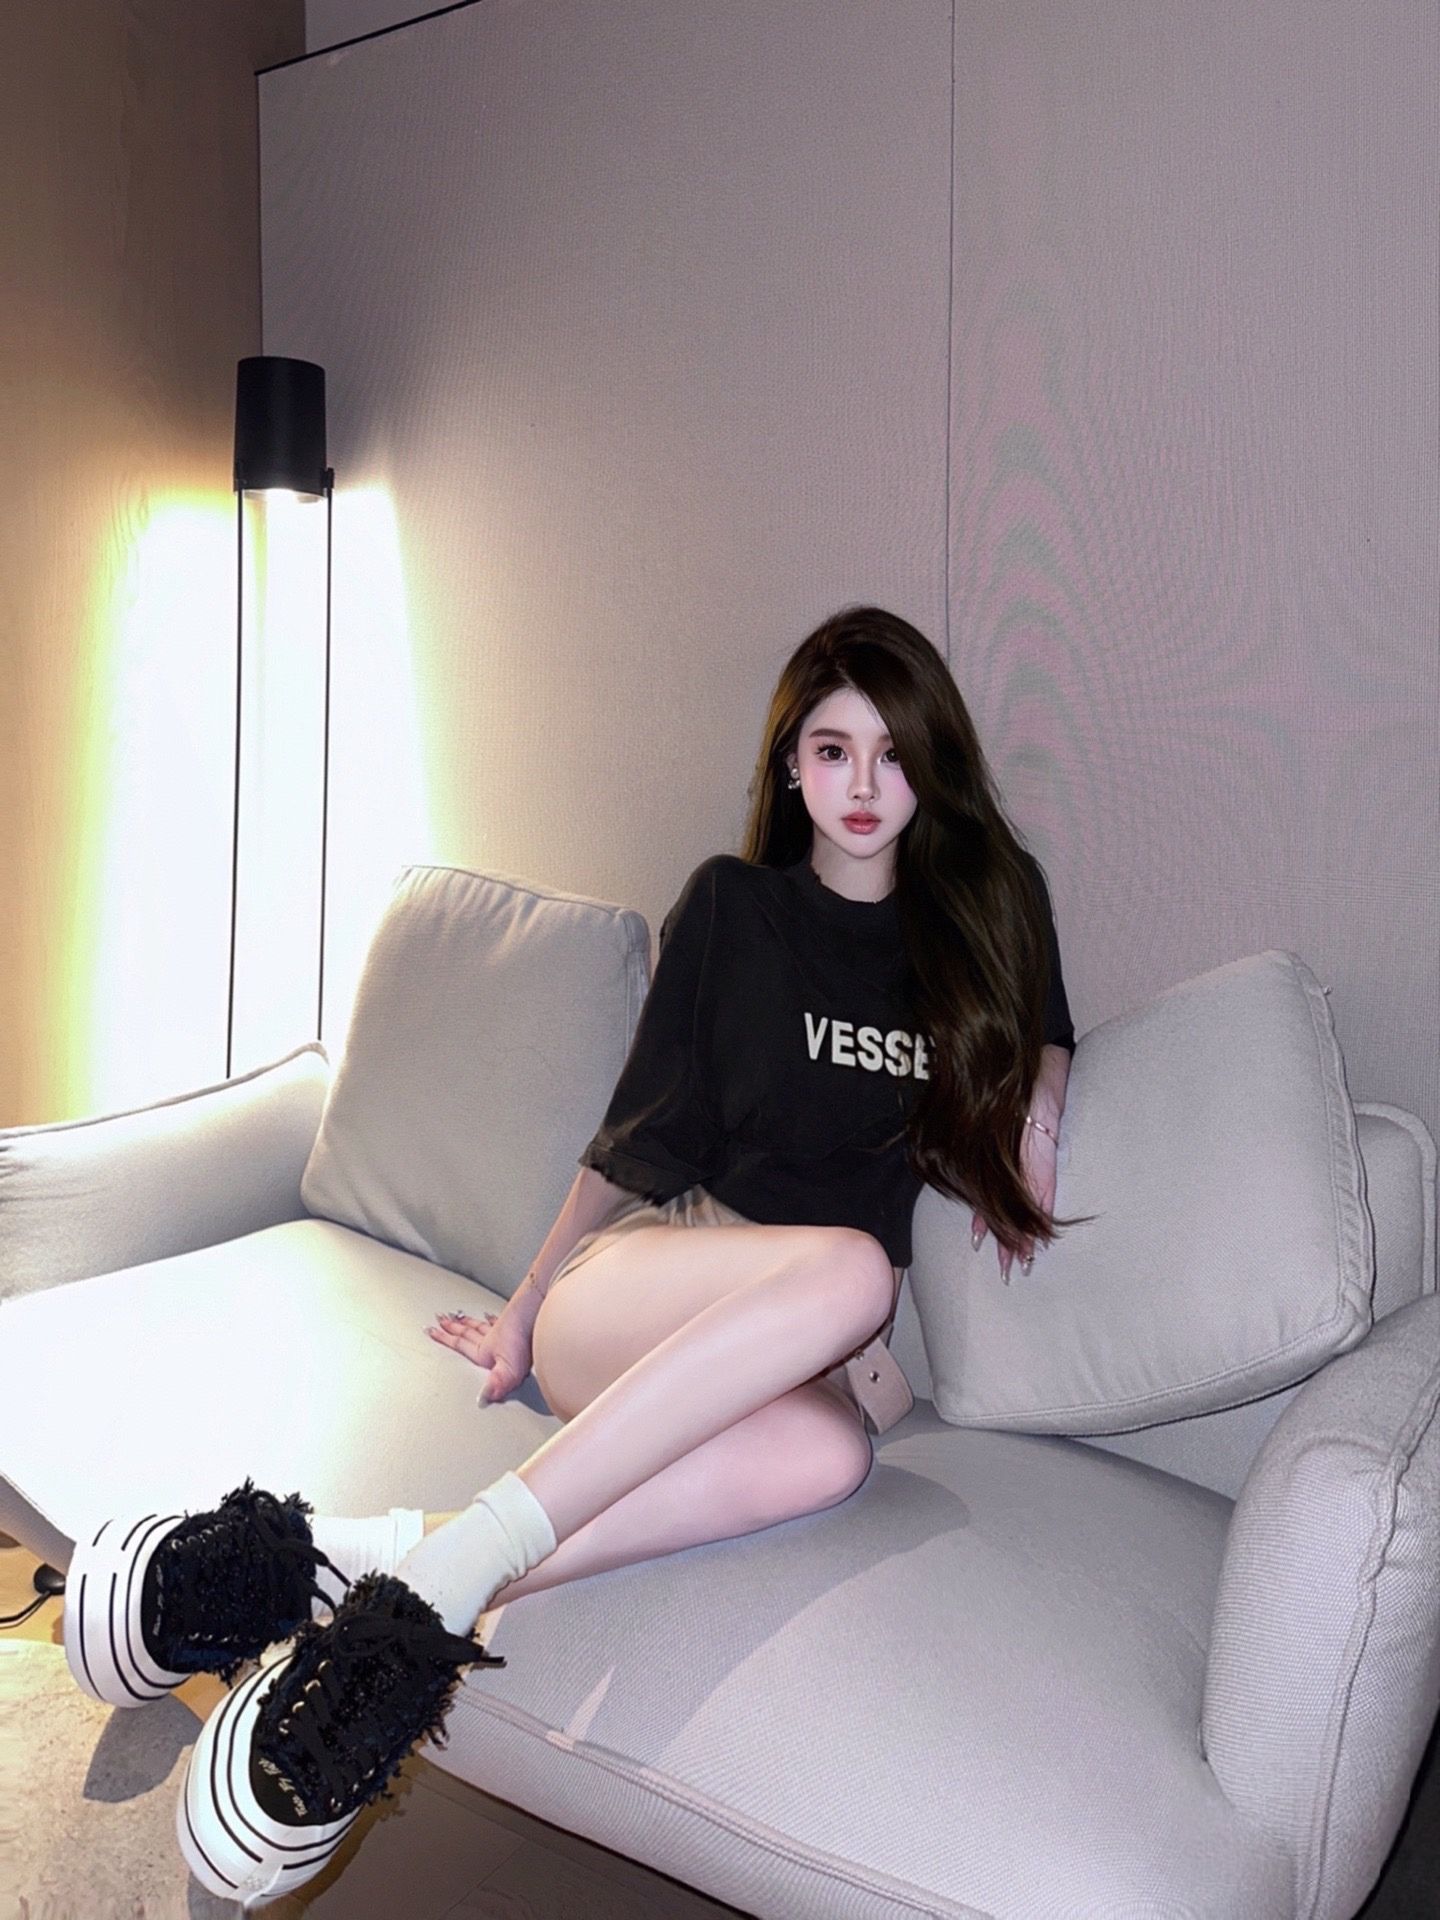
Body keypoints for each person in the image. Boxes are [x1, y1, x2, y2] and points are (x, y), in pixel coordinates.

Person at [60, 604, 1081, 1909]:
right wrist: (529, 1302)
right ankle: (449, 1576)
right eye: (833, 751)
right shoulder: (736, 908)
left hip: (804, 1360)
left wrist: (1040, 1094)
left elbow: (1044, 1033)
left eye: (894, 753)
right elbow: (632, 1135)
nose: (865, 786)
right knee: (856, 1273)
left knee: (834, 1455)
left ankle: (364, 1562)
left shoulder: (978, 924)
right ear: (790, 767)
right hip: (656, 1278)